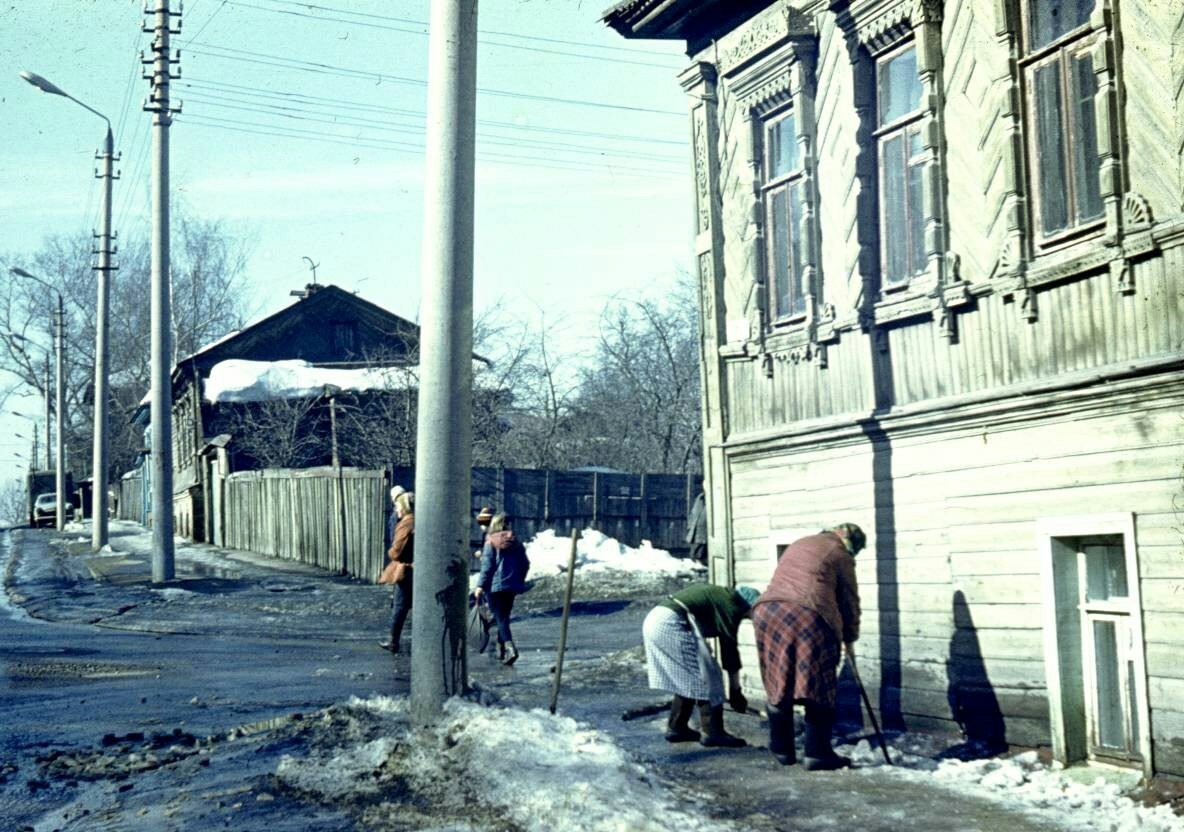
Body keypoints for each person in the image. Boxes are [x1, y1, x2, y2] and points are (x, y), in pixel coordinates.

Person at [751, 523, 864, 770]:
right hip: (806, 613)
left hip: (766, 610)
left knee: (779, 679)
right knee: (818, 681)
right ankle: (817, 754)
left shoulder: (801, 543)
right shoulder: (839, 552)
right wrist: (850, 637)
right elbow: (848, 600)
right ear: (849, 541)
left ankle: (781, 749)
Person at [642, 582, 761, 748]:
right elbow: (730, 652)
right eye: (752, 613)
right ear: (749, 605)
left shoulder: (724, 597)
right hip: (671, 622)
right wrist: (736, 692)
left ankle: (677, 728)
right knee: (707, 676)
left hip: (656, 619)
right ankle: (713, 732)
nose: (750, 618)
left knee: (688, 676)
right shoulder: (731, 606)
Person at [473, 513, 530, 665]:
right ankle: (501, 650)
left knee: (500, 618)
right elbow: (525, 563)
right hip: (511, 585)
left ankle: (510, 648)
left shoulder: (490, 541)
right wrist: (519, 579)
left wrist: (480, 585)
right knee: (504, 617)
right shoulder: (516, 542)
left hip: (495, 586)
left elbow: (488, 566)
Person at [377, 491, 415, 654]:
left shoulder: (407, 523)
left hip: (407, 570)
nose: (396, 509)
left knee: (399, 607)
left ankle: (393, 641)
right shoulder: (420, 519)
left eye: (398, 505)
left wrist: (391, 553)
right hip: (420, 568)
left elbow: (396, 550)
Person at [472, 506, 497, 654]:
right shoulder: (489, 534)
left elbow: (489, 561)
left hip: (492, 572)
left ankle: (493, 615)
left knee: (489, 593)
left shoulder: (491, 536)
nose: (482, 526)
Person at [685, 490, 708, 564]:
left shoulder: (715, 498)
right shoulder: (700, 498)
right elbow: (693, 513)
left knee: (701, 555)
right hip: (695, 531)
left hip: (705, 533)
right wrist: (690, 526)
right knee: (693, 555)